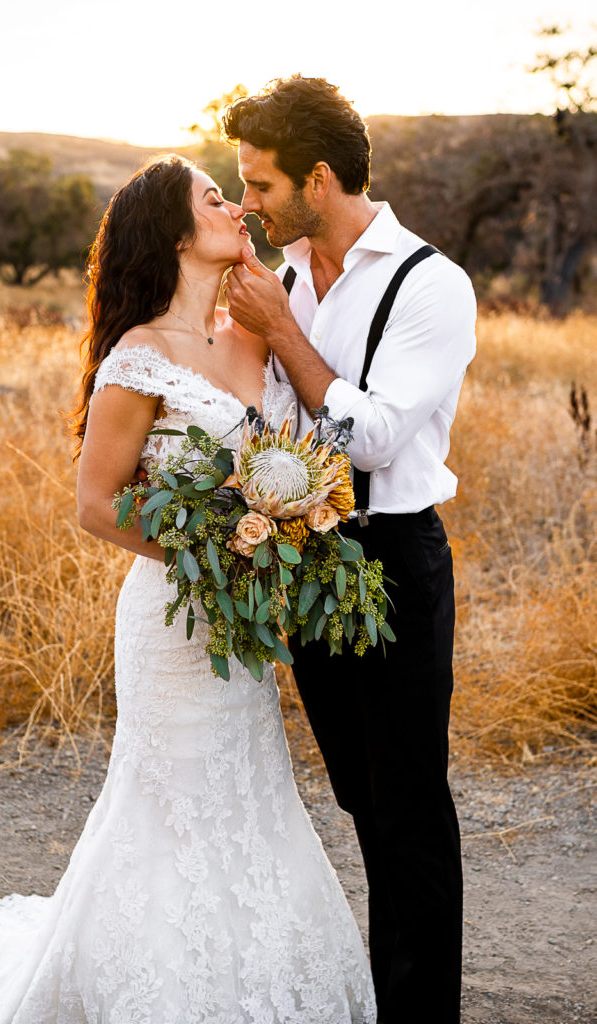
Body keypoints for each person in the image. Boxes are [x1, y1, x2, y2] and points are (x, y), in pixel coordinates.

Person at [0, 155, 376, 1023]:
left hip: (244, 623)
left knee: (248, 783)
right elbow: (95, 504)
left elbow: (302, 449)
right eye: (215, 199)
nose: (236, 208)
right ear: (172, 232)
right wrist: (209, 557)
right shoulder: (138, 356)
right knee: (172, 794)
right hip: (172, 618)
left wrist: (283, 530)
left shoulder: (253, 336)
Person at [221, 76, 477, 1024]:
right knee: (361, 797)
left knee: (409, 802)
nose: (248, 203)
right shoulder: (286, 278)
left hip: (395, 559)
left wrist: (281, 335)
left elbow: (368, 440)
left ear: (317, 179)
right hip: (308, 564)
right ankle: (387, 989)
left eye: (260, 184)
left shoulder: (430, 284)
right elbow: (277, 429)